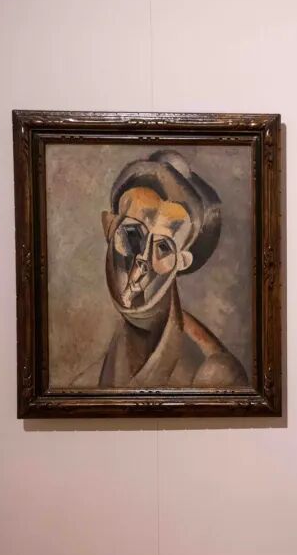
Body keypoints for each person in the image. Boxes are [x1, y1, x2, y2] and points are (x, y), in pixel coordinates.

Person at [72, 150, 248, 388]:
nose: (142, 260)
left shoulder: (212, 374)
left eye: (163, 247)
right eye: (132, 235)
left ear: (181, 262)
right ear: (109, 227)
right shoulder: (90, 377)